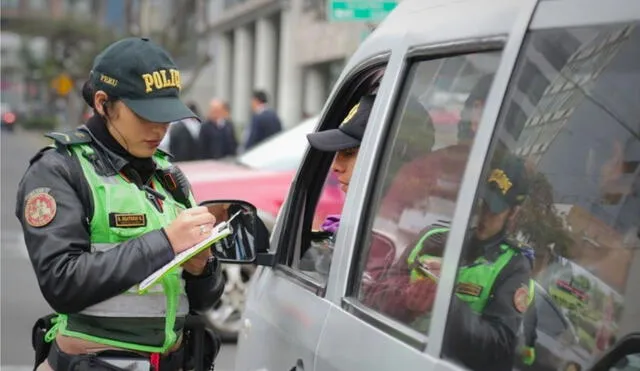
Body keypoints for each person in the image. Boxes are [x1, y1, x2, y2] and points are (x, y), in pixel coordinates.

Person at [17, 37, 225, 371]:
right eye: (145, 115)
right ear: (103, 103)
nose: (159, 128)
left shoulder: (168, 175)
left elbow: (203, 300)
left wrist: (203, 269)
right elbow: (62, 282)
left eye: (166, 115)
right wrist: (166, 242)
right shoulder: (59, 170)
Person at [364, 155, 533, 371]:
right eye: (483, 203)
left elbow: (499, 349)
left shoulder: (513, 267)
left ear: (513, 214)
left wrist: (445, 300)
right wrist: (406, 298)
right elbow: (374, 297)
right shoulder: (432, 238)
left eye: (495, 210)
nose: (483, 215)